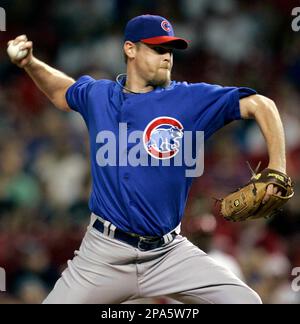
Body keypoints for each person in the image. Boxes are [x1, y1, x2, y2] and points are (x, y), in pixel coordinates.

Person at [7, 14, 287, 304]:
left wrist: (277, 166)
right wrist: (29, 63)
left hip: (168, 253)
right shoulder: (100, 95)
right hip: (103, 255)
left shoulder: (191, 99)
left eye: (170, 51)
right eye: (158, 49)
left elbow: (261, 105)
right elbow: (61, 90)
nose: (167, 57)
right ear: (130, 49)